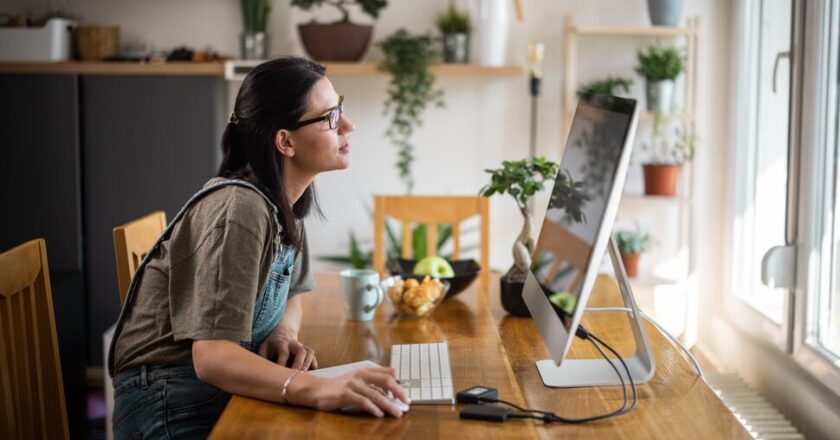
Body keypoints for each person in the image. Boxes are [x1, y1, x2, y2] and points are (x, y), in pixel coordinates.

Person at [108, 57, 409, 439]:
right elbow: (212, 357)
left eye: (341, 109)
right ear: (285, 141)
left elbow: (293, 295)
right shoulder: (240, 209)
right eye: (330, 117)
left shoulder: (285, 203)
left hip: (213, 389)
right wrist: (316, 388)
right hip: (169, 402)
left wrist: (283, 336)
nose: (348, 125)